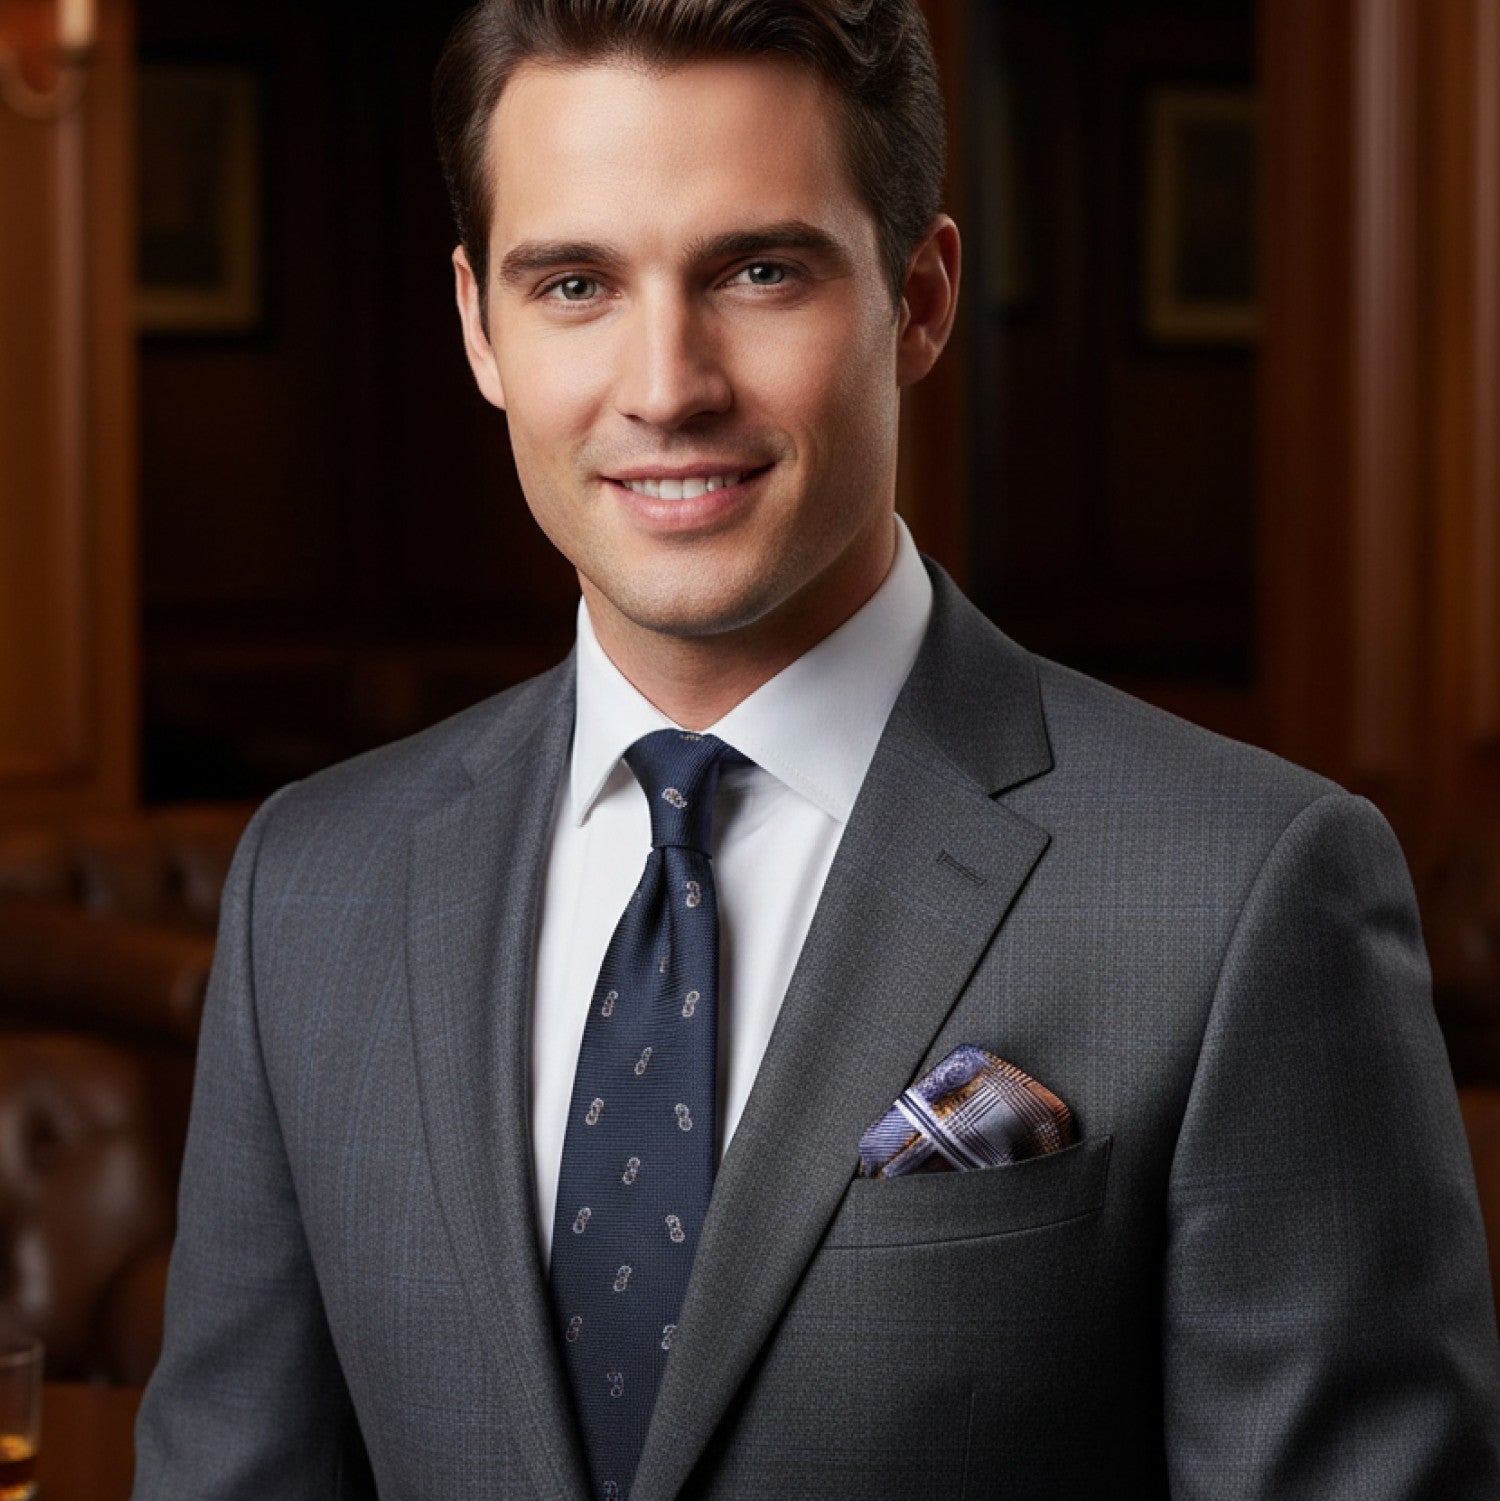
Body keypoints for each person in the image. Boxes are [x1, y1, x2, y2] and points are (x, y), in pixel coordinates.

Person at [132, 1, 1500, 1497]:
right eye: (577, 283)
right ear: (480, 327)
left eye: (759, 271)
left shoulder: (1246, 892)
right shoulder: (312, 886)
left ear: (920, 298)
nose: (668, 384)